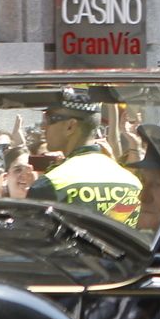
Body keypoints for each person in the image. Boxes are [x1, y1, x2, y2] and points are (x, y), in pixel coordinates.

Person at [27, 88, 142, 227]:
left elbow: (33, 244)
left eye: (49, 119)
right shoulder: (133, 183)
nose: (44, 127)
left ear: (70, 126)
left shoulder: (50, 185)